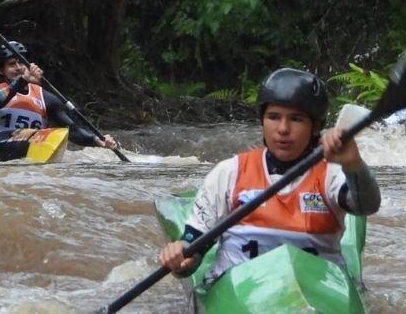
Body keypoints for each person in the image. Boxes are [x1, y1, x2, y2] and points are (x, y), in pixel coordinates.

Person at [158, 68, 381, 283]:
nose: (283, 129)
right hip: (243, 288)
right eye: (273, 117)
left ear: (316, 127)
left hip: (317, 289)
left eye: (296, 119)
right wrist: (181, 258)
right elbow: (193, 251)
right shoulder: (230, 172)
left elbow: (366, 206)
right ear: (262, 121)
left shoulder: (332, 171)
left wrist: (354, 165)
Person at [0, 40, 118, 161]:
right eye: (12, 64)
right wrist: (22, 81)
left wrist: (96, 140)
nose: (19, 67)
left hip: (32, 146)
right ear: (1, 70)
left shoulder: (46, 98)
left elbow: (72, 131)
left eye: (22, 62)